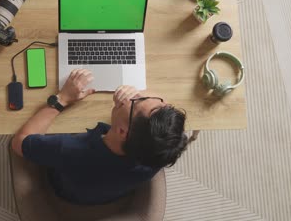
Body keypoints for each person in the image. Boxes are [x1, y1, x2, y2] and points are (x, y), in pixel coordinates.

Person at [11, 69, 188, 205]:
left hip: (67, 191)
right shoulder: (157, 152)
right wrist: (132, 105)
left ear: (122, 132)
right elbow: (155, 114)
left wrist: (62, 98)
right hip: (109, 192)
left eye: (138, 99)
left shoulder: (70, 148)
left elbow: (19, 143)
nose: (137, 94)